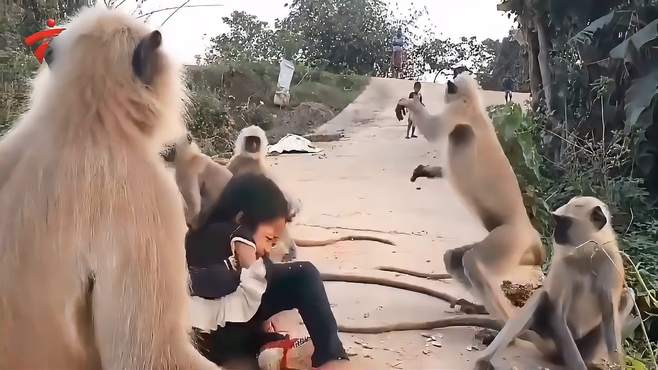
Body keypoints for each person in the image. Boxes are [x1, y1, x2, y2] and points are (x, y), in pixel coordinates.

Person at [186, 173, 350, 370]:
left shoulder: (238, 243)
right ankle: (328, 359)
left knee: (300, 275)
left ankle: (286, 349)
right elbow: (209, 286)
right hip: (215, 340)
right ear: (242, 220)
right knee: (303, 275)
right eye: (269, 238)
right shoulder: (213, 237)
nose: (268, 249)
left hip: (237, 330)